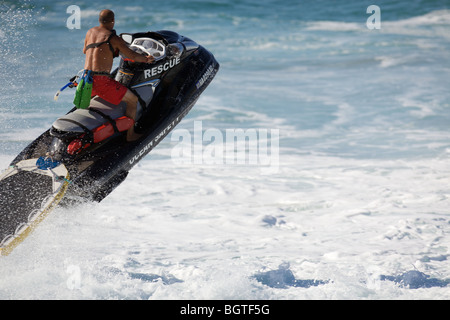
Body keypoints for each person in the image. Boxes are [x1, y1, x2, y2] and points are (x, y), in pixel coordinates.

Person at [83, 9, 154, 141]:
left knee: (86, 104)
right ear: (113, 21)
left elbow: (85, 50)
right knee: (133, 100)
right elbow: (132, 55)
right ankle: (130, 135)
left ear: (99, 20)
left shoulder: (90, 32)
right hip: (101, 81)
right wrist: (147, 59)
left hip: (86, 80)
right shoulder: (114, 38)